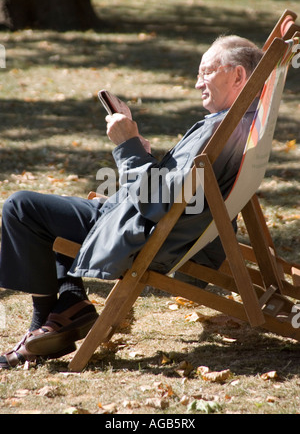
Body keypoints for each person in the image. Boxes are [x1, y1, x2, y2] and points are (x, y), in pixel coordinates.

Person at [0, 35, 263, 368]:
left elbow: (157, 202)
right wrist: (143, 153)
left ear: (238, 76)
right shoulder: (240, 122)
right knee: (44, 211)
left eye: (206, 72)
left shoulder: (223, 129)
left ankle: (47, 321)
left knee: (22, 209)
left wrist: (126, 147)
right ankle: (69, 304)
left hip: (145, 233)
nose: (198, 83)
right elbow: (178, 190)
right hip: (152, 222)